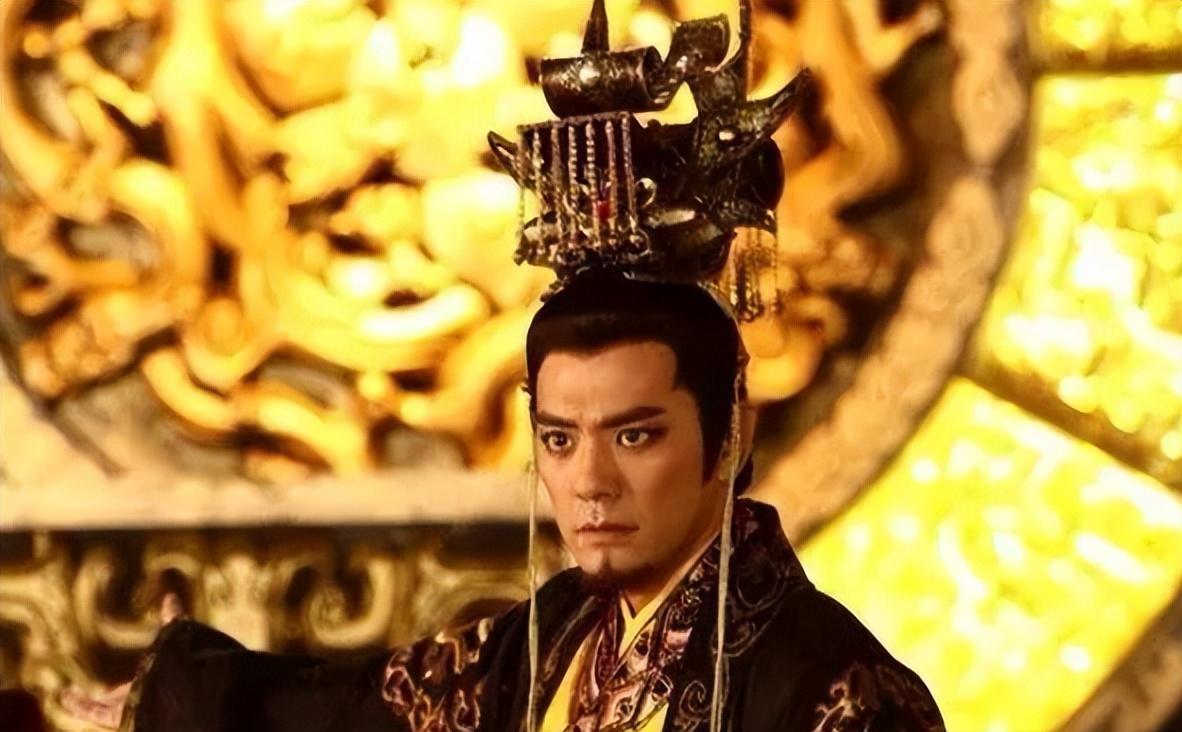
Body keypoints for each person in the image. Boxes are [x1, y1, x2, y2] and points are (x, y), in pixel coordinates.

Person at [63, 1, 946, 729]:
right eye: (559, 439)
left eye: (635, 436)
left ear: (731, 433)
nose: (589, 482)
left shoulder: (836, 693)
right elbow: (353, 707)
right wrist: (179, 698)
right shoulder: (552, 642)